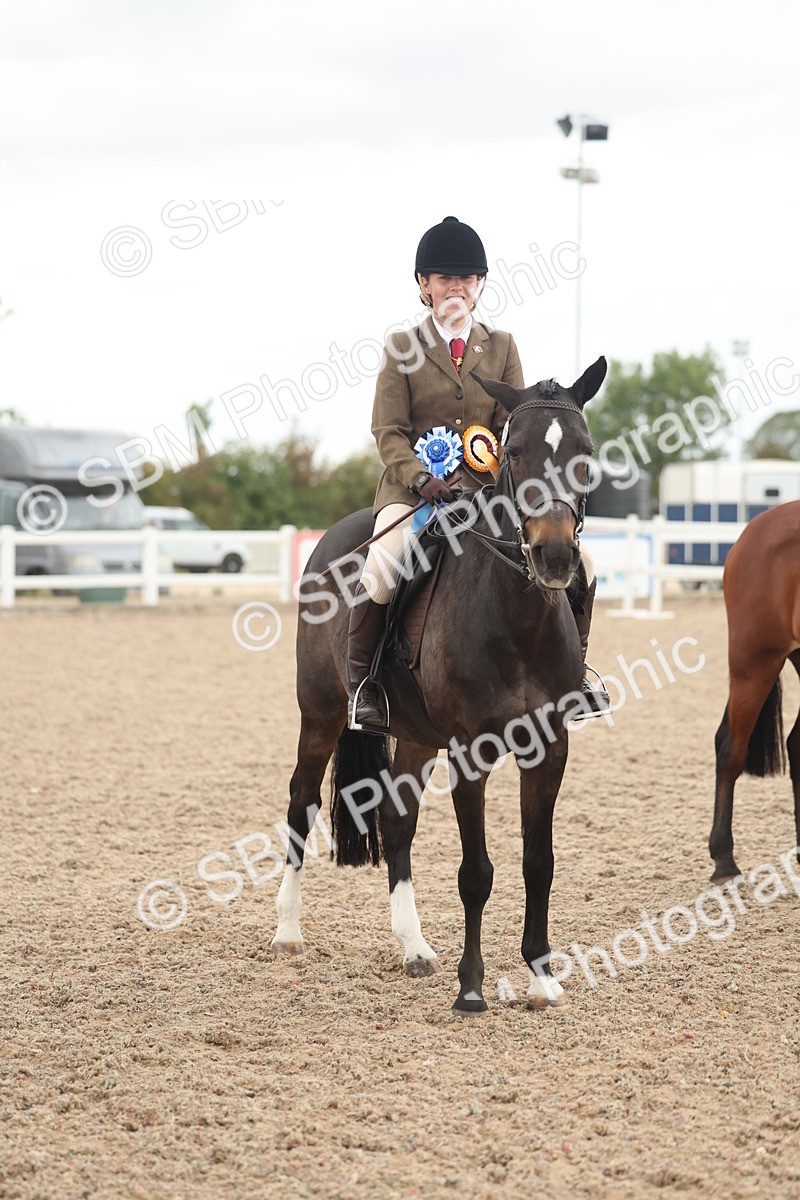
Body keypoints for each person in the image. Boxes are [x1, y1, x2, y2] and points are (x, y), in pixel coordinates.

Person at [346, 215, 609, 731]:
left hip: (487, 492)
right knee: (383, 562)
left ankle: (574, 676)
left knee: (587, 563)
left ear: (480, 284)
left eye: (466, 278)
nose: (456, 287)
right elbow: (387, 431)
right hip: (413, 493)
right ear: (424, 285)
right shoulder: (401, 347)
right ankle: (365, 685)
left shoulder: (502, 345)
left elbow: (517, 426)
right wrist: (419, 478)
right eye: (444, 278)